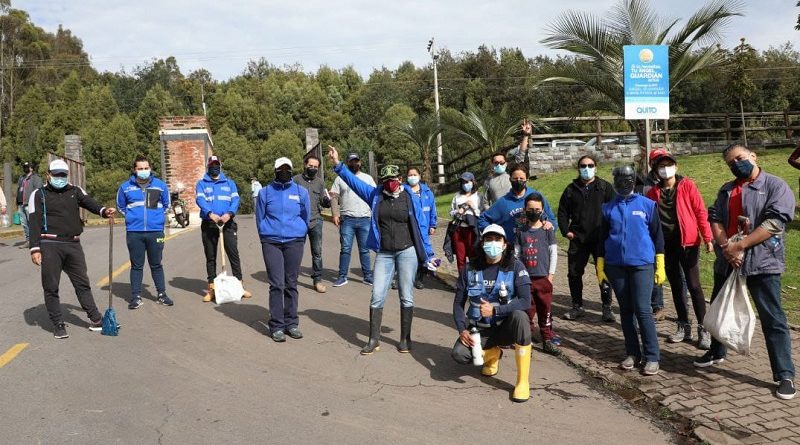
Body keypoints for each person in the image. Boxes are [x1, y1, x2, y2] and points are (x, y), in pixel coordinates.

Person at [695, 144, 797, 400]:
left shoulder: (775, 185)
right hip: (727, 262)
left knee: (773, 318)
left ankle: (784, 374)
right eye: (731, 163)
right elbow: (714, 217)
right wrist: (725, 247)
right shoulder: (727, 189)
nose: (736, 165)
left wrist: (740, 245)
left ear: (753, 156)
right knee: (719, 307)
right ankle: (717, 352)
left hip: (762, 263)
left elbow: (775, 222)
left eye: (739, 159)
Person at [328, 146, 429, 355]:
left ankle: (405, 339)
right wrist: (338, 165)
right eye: (386, 180)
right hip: (384, 253)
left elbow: (421, 226)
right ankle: (373, 339)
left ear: (400, 178)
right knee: (377, 295)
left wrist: (430, 255)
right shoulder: (375, 195)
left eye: (394, 178)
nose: (390, 183)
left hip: (407, 251)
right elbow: (354, 183)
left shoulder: (409, 197)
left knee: (406, 295)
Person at [27, 159, 116, 338]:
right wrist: (35, 249)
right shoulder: (38, 194)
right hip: (49, 244)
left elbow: (89, 202)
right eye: (56, 174)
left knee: (82, 283)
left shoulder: (75, 191)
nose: (60, 178)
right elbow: (34, 222)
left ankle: (96, 319)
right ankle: (58, 323)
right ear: (48, 175)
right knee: (51, 286)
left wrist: (104, 210)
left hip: (73, 244)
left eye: (63, 175)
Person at [451, 224, 533, 403]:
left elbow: (526, 301)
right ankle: (492, 355)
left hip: (504, 328)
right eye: (488, 239)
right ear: (482, 243)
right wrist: (462, 329)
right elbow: (458, 303)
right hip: (479, 330)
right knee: (459, 354)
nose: (493, 243)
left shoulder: (516, 267)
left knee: (521, 317)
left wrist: (496, 309)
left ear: (505, 244)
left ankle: (522, 382)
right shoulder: (470, 268)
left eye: (497, 240)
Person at [597, 165, 665, 376]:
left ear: (633, 181)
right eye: (619, 180)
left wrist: (660, 263)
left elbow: (657, 236)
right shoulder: (607, 208)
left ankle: (652, 356)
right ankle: (632, 353)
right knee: (626, 311)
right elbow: (601, 238)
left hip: (642, 264)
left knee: (643, 309)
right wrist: (600, 264)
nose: (623, 184)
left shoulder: (648, 205)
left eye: (627, 180)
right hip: (615, 265)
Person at [646, 149, 713, 349]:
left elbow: (700, 211)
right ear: (655, 171)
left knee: (694, 285)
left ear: (676, 166)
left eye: (669, 165)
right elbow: (649, 221)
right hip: (666, 245)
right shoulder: (652, 192)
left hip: (689, 243)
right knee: (676, 286)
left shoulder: (687, 186)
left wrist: (707, 237)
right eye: (661, 166)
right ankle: (684, 326)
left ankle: (704, 328)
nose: (666, 169)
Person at [257, 157, 310, 342]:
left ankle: (292, 323)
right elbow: (260, 217)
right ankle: (277, 325)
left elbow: (306, 216)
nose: (284, 172)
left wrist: (300, 233)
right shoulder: (264, 193)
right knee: (276, 284)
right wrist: (265, 235)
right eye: (281, 169)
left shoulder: (301, 192)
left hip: (294, 241)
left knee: (291, 283)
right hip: (271, 242)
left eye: (288, 169)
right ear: (275, 171)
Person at [557, 154, 616, 322]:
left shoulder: (605, 187)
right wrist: (565, 231)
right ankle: (577, 306)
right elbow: (562, 212)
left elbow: (614, 211)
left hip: (601, 240)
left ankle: (606, 308)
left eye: (590, 165)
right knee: (574, 273)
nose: (587, 169)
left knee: (603, 273)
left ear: (596, 167)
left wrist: (611, 233)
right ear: (578, 168)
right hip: (578, 239)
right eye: (583, 166)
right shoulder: (571, 189)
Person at [116, 155, 173, 309]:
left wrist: (158, 218)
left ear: (150, 168)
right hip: (134, 232)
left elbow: (167, 204)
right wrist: (131, 218)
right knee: (136, 265)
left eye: (146, 168)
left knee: (156, 264)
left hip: (156, 232)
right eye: (140, 168)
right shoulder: (125, 187)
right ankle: (135, 296)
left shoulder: (160, 186)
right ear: (134, 170)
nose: (143, 171)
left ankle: (162, 294)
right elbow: (120, 207)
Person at [196, 155, 252, 303]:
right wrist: (210, 214)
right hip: (209, 223)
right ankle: (212, 289)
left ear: (220, 165)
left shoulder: (229, 183)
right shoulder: (201, 184)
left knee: (233, 254)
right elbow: (200, 199)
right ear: (208, 166)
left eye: (217, 164)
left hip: (227, 223)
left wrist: (229, 214)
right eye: (212, 165)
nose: (214, 167)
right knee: (211, 257)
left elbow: (235, 200)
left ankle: (239, 286)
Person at [515, 193, 561, 355]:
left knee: (545, 310)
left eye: (537, 209)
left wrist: (551, 276)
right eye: (530, 209)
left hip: (543, 279)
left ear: (542, 210)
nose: (534, 212)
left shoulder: (547, 230)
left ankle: (547, 339)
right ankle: (526, 339)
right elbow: (517, 255)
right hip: (526, 281)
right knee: (528, 311)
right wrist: (519, 277)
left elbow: (553, 253)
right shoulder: (521, 232)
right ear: (524, 210)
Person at [330, 153, 375, 287]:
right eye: (351, 162)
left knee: (365, 250)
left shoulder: (367, 178)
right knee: (345, 249)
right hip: (347, 220)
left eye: (356, 161)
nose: (354, 164)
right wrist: (335, 214)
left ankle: (367, 276)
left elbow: (375, 197)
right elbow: (334, 197)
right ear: (347, 163)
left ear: (360, 162)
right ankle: (342, 276)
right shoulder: (340, 179)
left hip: (364, 219)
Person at [478, 164, 556, 240]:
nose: (518, 181)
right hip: (512, 247)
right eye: (515, 178)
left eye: (521, 178)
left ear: (527, 179)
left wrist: (550, 225)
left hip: (537, 245)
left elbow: (552, 220)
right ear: (510, 179)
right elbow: (483, 219)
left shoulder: (537, 197)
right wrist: (494, 234)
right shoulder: (503, 202)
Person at [293, 155, 332, 293]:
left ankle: (317, 280)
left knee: (317, 253)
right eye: (311, 166)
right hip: (299, 222)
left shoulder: (320, 183)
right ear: (305, 165)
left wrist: (327, 201)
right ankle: (291, 278)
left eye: (316, 167)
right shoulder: (296, 180)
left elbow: (322, 200)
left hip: (316, 221)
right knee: (296, 251)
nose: (313, 169)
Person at [480, 119, 532, 210]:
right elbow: (485, 202)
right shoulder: (488, 181)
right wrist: (491, 214)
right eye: (496, 163)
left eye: (501, 162)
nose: (499, 165)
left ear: (506, 163)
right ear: (491, 164)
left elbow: (521, 154)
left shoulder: (512, 175)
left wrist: (525, 135)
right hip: (499, 216)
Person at [404, 167, 437, 289]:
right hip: (409, 227)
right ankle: (403, 277)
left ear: (419, 176)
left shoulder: (427, 191)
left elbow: (433, 208)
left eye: (414, 174)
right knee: (407, 253)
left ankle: (419, 278)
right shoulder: (404, 191)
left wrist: (433, 224)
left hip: (424, 227)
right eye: (410, 175)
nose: (412, 177)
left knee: (422, 252)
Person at [447, 172, 481, 272]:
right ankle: (462, 280)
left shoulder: (478, 196)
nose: (465, 184)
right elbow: (451, 212)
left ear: (473, 182)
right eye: (463, 182)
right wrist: (458, 211)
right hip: (458, 229)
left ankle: (474, 280)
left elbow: (482, 214)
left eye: (467, 181)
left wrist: (473, 207)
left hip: (472, 229)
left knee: (473, 255)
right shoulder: (457, 196)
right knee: (460, 256)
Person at [16, 161, 43, 246]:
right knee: (24, 223)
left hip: (30, 203)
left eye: (27, 167)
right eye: (24, 167)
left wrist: (36, 202)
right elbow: (19, 190)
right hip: (21, 204)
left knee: (32, 222)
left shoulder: (36, 178)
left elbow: (39, 190)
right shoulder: (21, 178)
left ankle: (35, 240)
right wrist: (17, 202)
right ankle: (28, 240)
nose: (25, 168)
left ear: (31, 168)